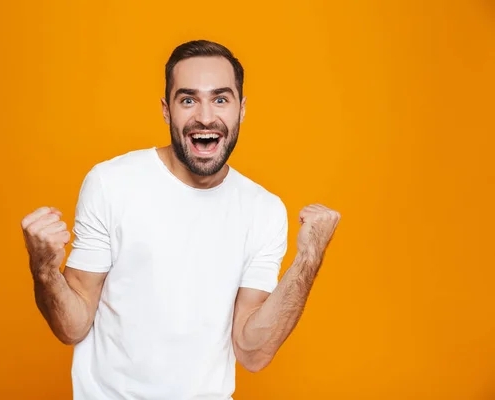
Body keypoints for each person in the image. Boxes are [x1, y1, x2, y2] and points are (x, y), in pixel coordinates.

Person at [21, 39, 341, 400]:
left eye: (220, 99)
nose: (205, 116)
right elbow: (72, 327)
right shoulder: (111, 183)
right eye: (188, 100)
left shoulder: (264, 210)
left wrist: (308, 258)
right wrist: (45, 269)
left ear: (242, 108)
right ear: (166, 109)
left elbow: (252, 351)